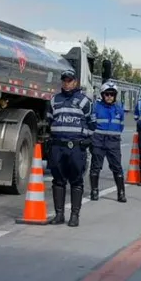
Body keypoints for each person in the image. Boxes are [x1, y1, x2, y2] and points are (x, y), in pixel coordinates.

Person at [47, 69, 95, 226]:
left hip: (75, 147)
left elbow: (92, 124)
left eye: (70, 80)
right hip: (58, 147)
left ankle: (75, 215)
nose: (67, 83)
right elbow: (49, 121)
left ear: (75, 82)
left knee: (76, 181)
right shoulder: (54, 100)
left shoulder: (84, 101)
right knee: (58, 181)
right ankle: (59, 215)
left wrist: (86, 138)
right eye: (64, 80)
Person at [89, 81, 127, 203]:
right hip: (98, 142)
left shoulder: (119, 110)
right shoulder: (96, 107)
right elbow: (92, 124)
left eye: (112, 94)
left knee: (117, 168)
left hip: (113, 143)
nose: (109, 96)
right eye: (107, 94)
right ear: (102, 95)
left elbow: (121, 126)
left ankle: (121, 193)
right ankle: (94, 190)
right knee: (95, 167)